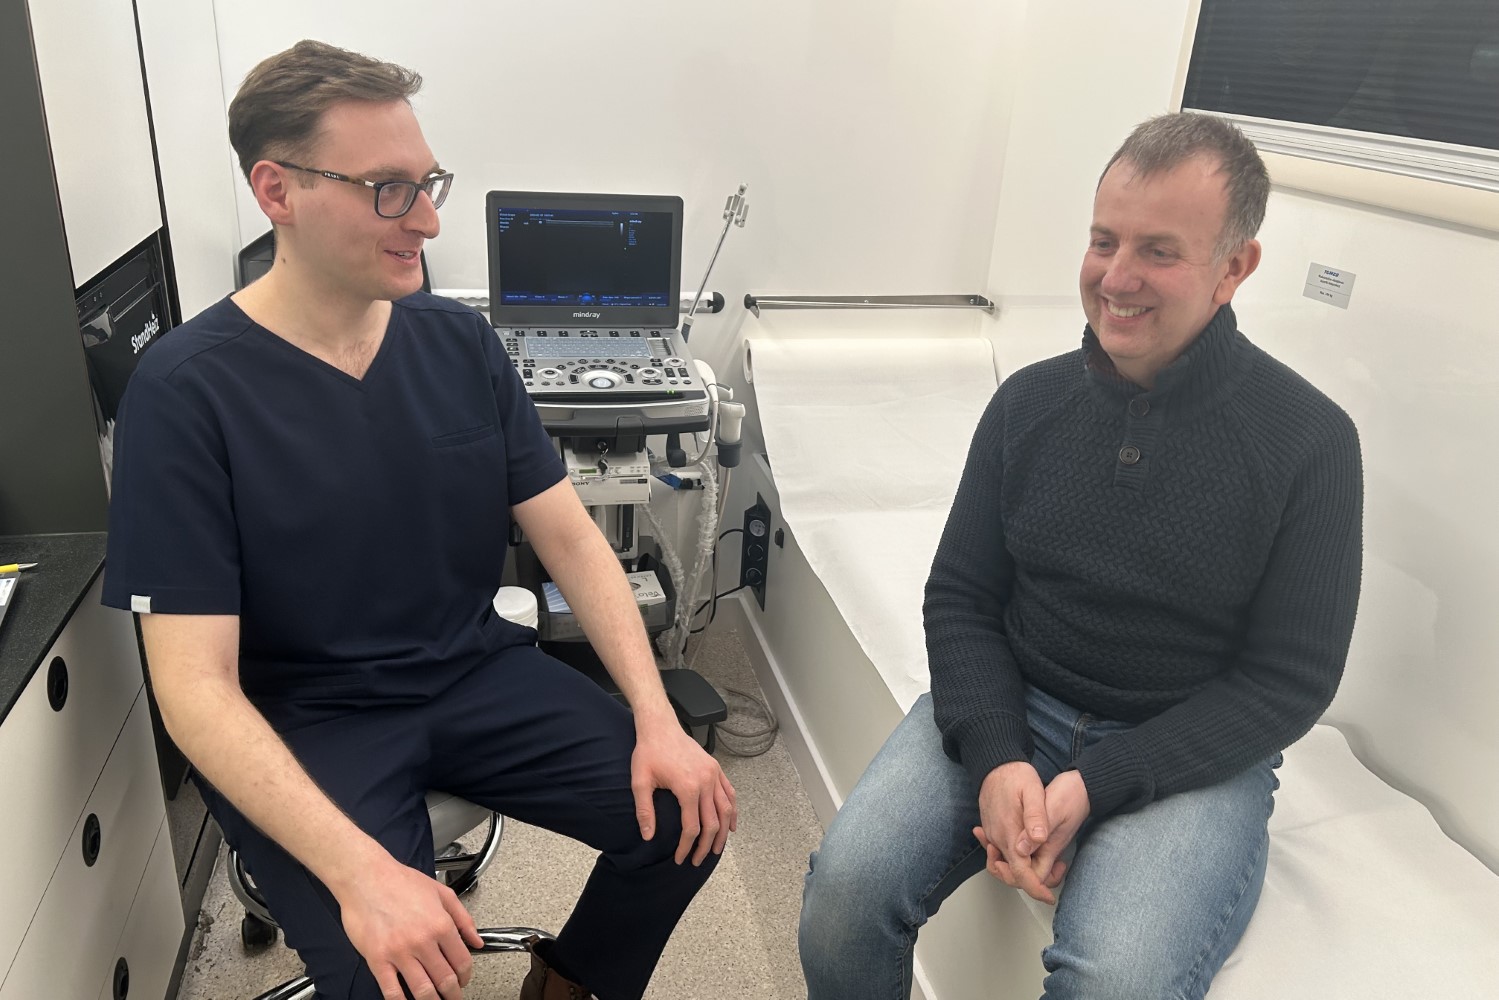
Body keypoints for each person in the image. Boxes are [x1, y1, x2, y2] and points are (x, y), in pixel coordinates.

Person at [103, 39, 736, 1000]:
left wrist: (654, 716)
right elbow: (193, 689)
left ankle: (567, 983)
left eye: (429, 183)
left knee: (687, 818)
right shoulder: (185, 392)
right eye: (389, 191)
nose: (430, 221)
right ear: (277, 191)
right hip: (304, 720)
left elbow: (571, 538)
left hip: (472, 674)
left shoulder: (457, 343)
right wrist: (362, 876)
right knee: (389, 972)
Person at [798, 112, 1363, 999]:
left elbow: (1289, 681)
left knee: (1114, 984)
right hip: (1020, 697)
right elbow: (960, 597)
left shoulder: (1310, 443)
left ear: (1233, 268)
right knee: (844, 892)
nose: (1116, 278)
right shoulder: (1027, 404)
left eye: (1159, 252)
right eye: (1104, 241)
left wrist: (1098, 781)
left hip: (1182, 744)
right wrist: (998, 756)